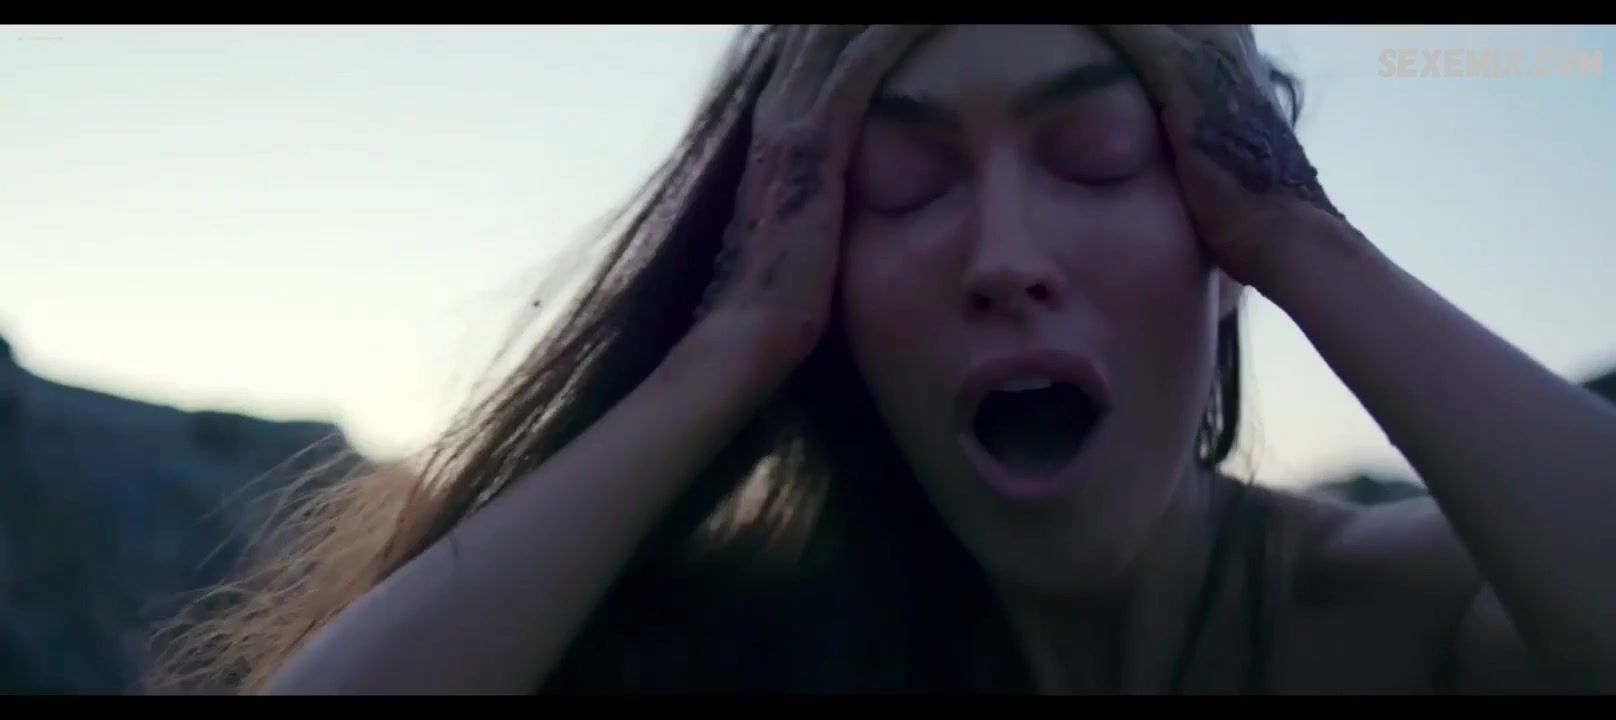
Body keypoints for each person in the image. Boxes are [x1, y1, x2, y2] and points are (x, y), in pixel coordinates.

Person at [150, 24, 1616, 695]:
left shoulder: (1416, 617)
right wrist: (727, 349)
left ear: (1222, 251)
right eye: (902, 185)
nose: (1004, 254)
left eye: (1101, 153)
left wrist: (1303, 237)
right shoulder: (743, 649)